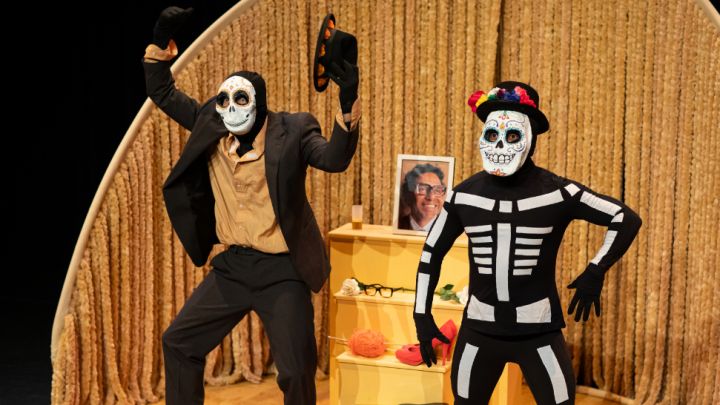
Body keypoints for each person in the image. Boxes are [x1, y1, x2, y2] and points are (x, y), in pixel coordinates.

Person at [142, 7, 360, 405]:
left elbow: (334, 159)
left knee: (296, 371)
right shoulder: (213, 122)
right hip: (234, 267)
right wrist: (159, 42)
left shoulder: (292, 130)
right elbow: (163, 93)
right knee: (178, 342)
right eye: (224, 99)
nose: (230, 107)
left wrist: (347, 101)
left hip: (282, 270)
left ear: (258, 103)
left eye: (240, 99)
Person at [412, 81, 641, 405]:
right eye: (492, 134)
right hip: (479, 329)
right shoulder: (464, 195)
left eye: (512, 135)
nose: (501, 144)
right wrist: (421, 315)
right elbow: (431, 253)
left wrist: (596, 269)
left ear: (530, 139)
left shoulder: (557, 192)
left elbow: (625, 218)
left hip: (538, 330)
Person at [398, 163, 447, 231]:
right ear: (408, 195)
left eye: (437, 190)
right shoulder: (397, 225)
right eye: (422, 189)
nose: (431, 197)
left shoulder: (449, 228)